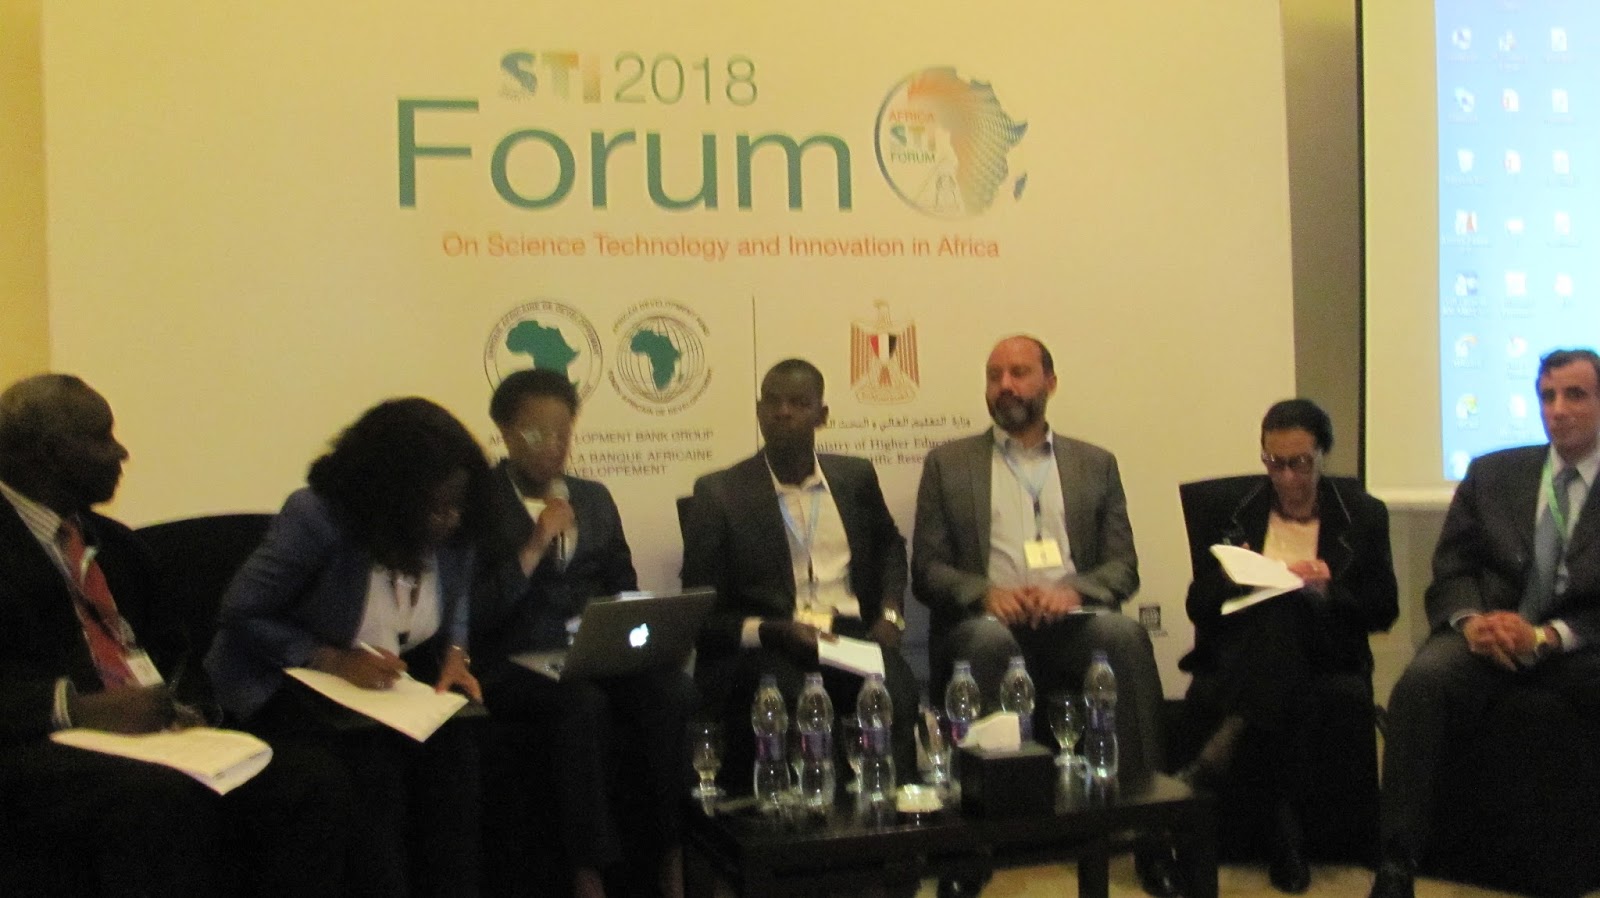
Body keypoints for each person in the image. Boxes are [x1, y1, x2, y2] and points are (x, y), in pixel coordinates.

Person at [0, 373, 348, 897]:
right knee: (160, 802)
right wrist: (78, 707)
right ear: (49, 453)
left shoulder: (116, 545)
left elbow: (175, 649)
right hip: (41, 742)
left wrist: (189, 706)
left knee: (308, 780)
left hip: (155, 734)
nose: (120, 452)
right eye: (100, 437)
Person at [911, 335, 1181, 898]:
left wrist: (1072, 590)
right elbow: (928, 570)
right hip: (989, 622)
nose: (1005, 386)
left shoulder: (1094, 463)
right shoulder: (948, 464)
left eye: (1019, 373)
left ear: (1050, 383)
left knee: (1124, 636)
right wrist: (984, 593)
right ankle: (970, 849)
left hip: (1072, 622)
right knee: (986, 645)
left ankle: (1151, 835)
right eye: (994, 376)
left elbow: (1123, 567)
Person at [205, 397, 491, 898]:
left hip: (385, 692)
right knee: (373, 774)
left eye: (458, 505)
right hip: (286, 685)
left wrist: (456, 654)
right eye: (436, 507)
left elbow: (459, 594)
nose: (450, 519)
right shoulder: (317, 517)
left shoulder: (457, 527)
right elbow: (242, 612)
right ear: (392, 497)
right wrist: (332, 660)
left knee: (458, 760)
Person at [1369, 348, 1600, 898]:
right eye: (1547, 396)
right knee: (1421, 683)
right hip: (1487, 630)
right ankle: (1397, 862)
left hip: (1578, 642)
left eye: (1575, 395)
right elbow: (1452, 567)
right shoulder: (1494, 473)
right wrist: (1472, 622)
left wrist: (1545, 636)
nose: (1558, 409)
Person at [473, 369, 695, 898]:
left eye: (562, 433)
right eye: (536, 433)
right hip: (515, 661)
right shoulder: (480, 504)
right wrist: (534, 547)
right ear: (505, 433)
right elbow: (475, 611)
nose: (552, 446)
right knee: (582, 705)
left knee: (670, 691)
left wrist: (635, 628)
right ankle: (587, 870)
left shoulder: (593, 498)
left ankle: (672, 853)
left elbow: (622, 584)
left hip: (591, 651)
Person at [1178, 399, 1397, 894]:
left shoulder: (1363, 514)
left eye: (1299, 463)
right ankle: (1284, 830)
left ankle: (1225, 745)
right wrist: (1235, 577)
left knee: (1289, 610)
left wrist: (1329, 590)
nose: (1287, 477)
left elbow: (1384, 608)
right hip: (1248, 649)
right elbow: (1198, 604)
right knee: (1277, 622)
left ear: (1323, 455)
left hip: (1328, 647)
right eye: (1274, 463)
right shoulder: (1236, 514)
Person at [681, 358, 919, 791]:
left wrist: (890, 613)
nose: (783, 412)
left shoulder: (855, 477)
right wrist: (773, 630)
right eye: (772, 402)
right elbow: (701, 613)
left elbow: (890, 547)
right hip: (773, 642)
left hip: (848, 636)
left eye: (798, 403)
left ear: (822, 416)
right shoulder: (720, 494)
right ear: (758, 411)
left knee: (896, 690)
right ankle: (805, 818)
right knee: (791, 698)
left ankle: (891, 813)